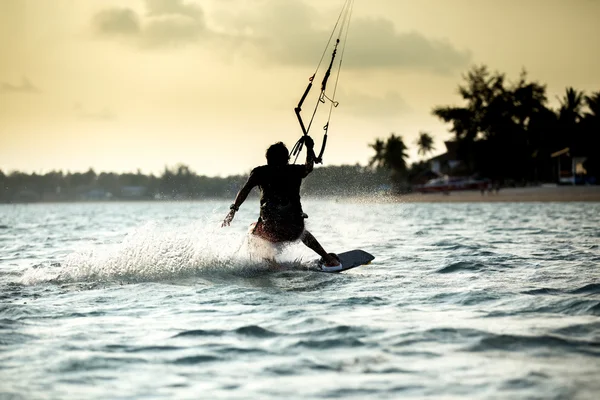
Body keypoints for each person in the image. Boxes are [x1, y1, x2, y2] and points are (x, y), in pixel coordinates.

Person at [222, 136, 340, 267]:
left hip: (270, 230)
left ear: (268, 159)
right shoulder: (295, 170)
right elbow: (309, 166)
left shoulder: (259, 172)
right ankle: (328, 259)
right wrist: (309, 148)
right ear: (287, 158)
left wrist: (233, 210)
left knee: (252, 231)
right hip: (294, 230)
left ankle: (272, 265)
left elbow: (244, 190)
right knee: (304, 233)